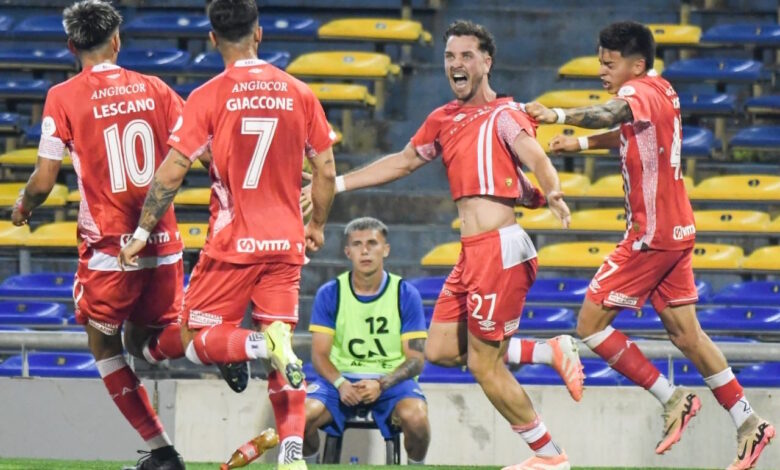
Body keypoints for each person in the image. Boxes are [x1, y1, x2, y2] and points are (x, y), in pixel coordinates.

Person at [325, 20, 583, 470]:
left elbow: (536, 155)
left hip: (499, 249)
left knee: (485, 366)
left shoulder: (505, 113)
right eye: (449, 57)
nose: (456, 64)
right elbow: (405, 161)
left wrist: (553, 189)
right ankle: (546, 350)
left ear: (487, 62)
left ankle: (550, 457)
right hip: (472, 254)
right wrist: (338, 182)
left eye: (466, 56)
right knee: (441, 350)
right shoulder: (443, 119)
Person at [525, 21, 775, 470]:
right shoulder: (661, 88)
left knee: (589, 323)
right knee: (686, 335)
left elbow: (612, 114)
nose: (602, 70)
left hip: (652, 236)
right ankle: (748, 421)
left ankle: (673, 397)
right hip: (676, 230)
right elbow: (626, 130)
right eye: (600, 62)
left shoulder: (637, 92)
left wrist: (557, 115)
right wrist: (579, 144)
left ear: (636, 64)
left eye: (609, 63)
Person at [117, 0, 337, 468]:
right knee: (284, 345)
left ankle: (259, 345)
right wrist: (315, 224)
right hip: (286, 244)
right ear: (260, 34)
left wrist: (141, 230)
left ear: (213, 39)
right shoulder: (299, 91)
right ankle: (293, 454)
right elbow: (325, 168)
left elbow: (173, 170)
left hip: (234, 243)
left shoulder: (209, 95)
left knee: (198, 339)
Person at [10, 1, 187, 469]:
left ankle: (162, 452)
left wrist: (24, 206)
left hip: (111, 250)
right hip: (164, 244)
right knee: (147, 342)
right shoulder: (156, 88)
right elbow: (200, 151)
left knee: (105, 345)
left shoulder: (64, 96)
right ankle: (224, 342)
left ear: (71, 46)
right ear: (117, 40)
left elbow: (45, 180)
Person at [302, 217, 430, 465]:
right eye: (357, 244)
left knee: (417, 419)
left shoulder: (405, 294)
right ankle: (308, 463)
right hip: (340, 379)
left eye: (372, 243)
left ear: (386, 249)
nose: (365, 251)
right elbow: (319, 354)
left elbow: (416, 360)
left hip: (390, 380)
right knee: (300, 417)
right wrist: (340, 383)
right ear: (347, 252)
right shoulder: (330, 292)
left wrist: (381, 384)